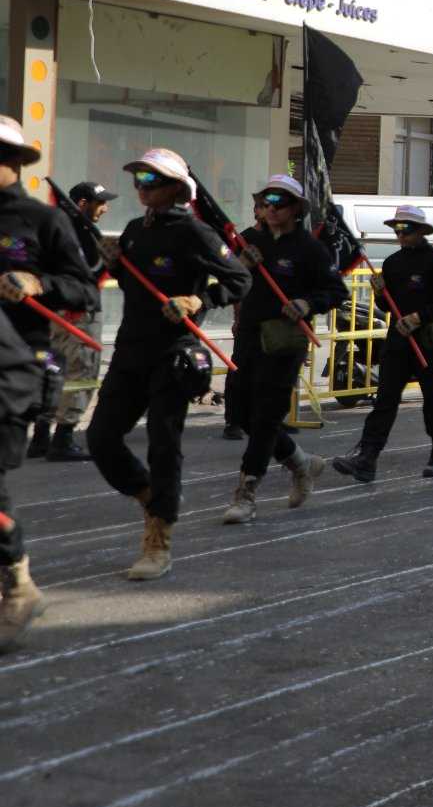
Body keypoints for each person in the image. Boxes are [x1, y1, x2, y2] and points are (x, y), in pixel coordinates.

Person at [88, 149, 252, 580]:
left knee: (163, 442)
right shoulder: (132, 230)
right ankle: (152, 497)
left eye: (152, 180)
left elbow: (240, 279)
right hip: (131, 351)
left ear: (177, 188)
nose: (142, 187)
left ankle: (159, 538)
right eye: (139, 179)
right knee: (101, 438)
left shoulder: (195, 232)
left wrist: (199, 299)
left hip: (173, 354)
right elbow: (132, 284)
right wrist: (112, 264)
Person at [0, 120, 98, 649]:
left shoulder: (44, 221)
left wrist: (38, 282)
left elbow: (86, 291)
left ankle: (17, 580)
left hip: (12, 368)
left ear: (17, 161)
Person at [220, 176, 348, 525]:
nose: (271, 208)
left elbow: (337, 291)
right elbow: (227, 282)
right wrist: (240, 265)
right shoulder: (246, 240)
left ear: (296, 209)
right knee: (242, 413)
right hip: (248, 336)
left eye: (279, 202)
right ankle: (301, 463)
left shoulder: (310, 248)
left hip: (284, 341)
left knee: (266, 416)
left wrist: (307, 303)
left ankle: (246, 492)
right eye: (266, 202)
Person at [330, 205, 433, 482]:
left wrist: (418, 317)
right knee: (385, 400)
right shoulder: (392, 263)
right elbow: (388, 306)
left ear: (421, 231)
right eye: (397, 229)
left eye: (407, 229)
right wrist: (379, 293)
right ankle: (367, 457)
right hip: (398, 342)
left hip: (427, 343)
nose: (401, 234)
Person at [36, 180, 114, 463]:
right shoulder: (78, 234)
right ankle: (64, 437)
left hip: (56, 315)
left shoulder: (53, 230)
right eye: (100, 203)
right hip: (79, 315)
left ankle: (41, 436)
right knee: (82, 373)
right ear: (82, 204)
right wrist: (109, 258)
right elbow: (87, 273)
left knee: (54, 371)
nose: (105, 209)